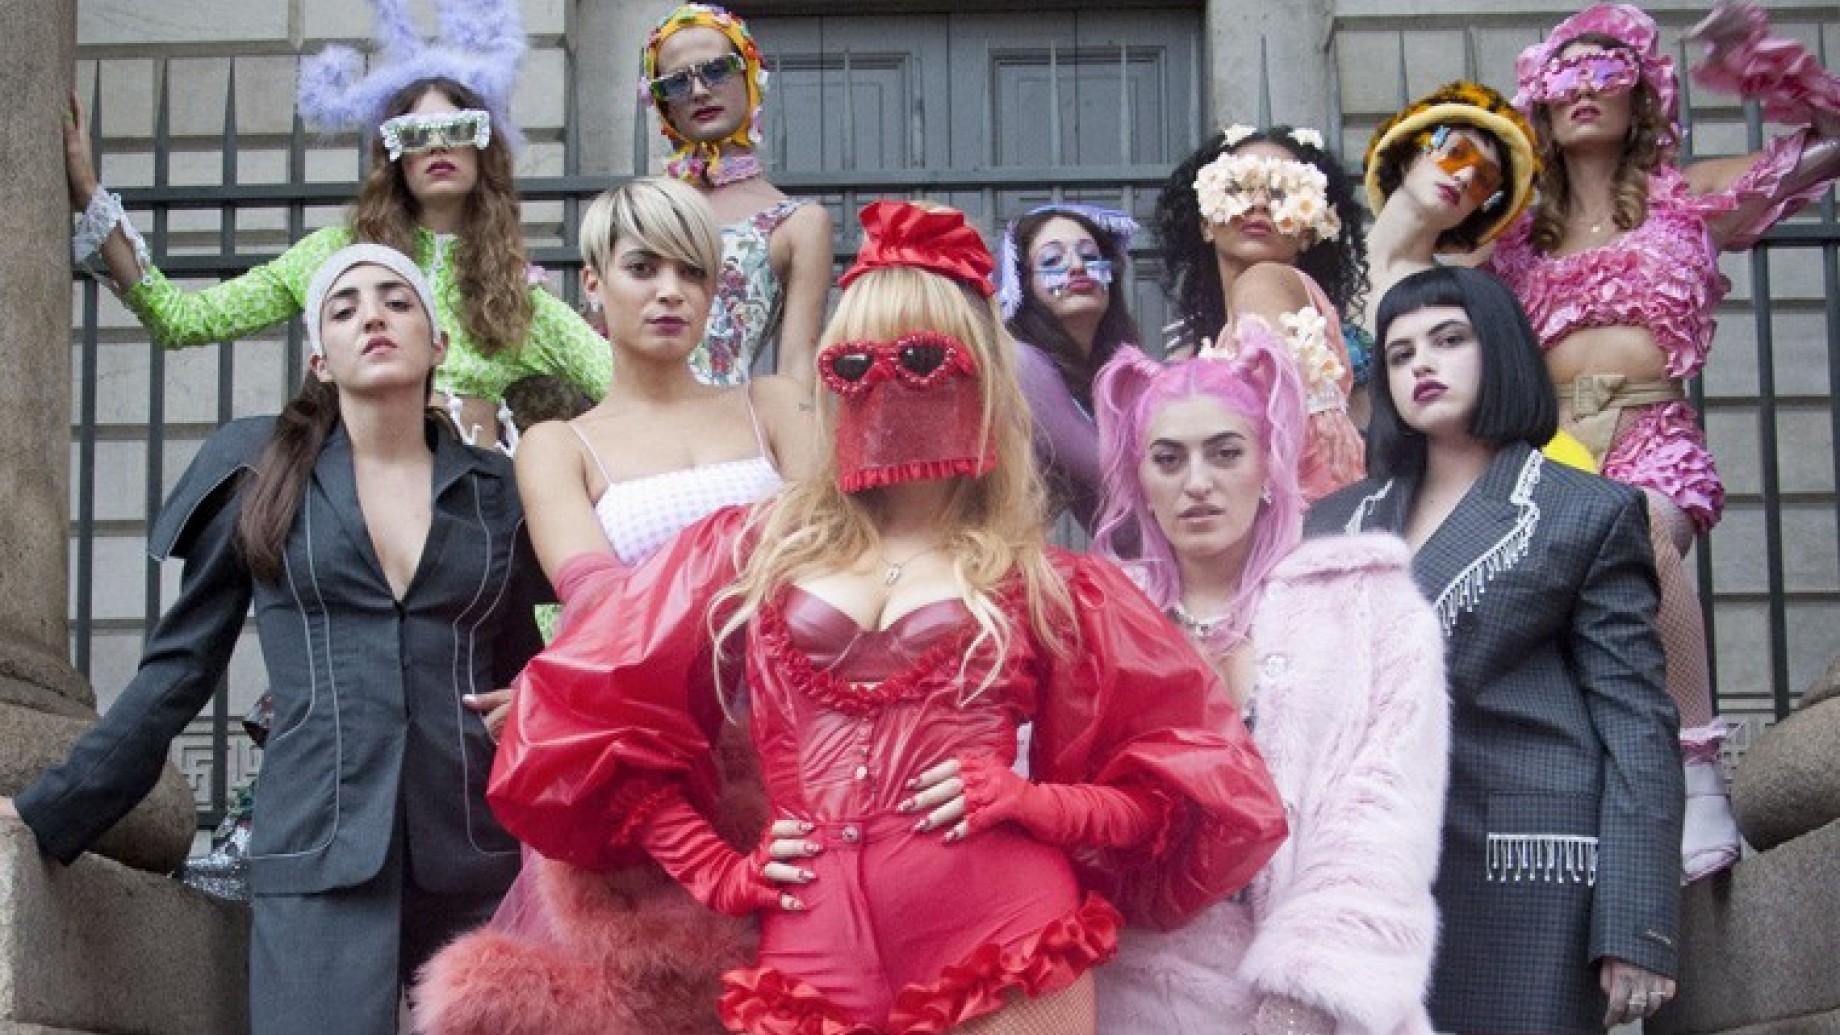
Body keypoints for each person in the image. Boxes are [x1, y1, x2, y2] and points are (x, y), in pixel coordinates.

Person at [485, 200, 1288, 1035]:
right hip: (810, 943)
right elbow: (591, 715)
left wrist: (1030, 801)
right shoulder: (750, 548)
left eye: (915, 356)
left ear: (973, 372)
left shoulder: (1050, 582)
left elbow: (1175, 789)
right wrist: (716, 868)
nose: (881, 383)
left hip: (1003, 929)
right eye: (851, 363)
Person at [3, 245, 547, 1035]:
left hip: (475, 848)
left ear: (440, 345)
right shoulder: (262, 474)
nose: (373, 314)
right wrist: (50, 807)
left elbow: (533, 663)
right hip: (317, 842)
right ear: (319, 358)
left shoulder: (499, 493)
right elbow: (179, 667)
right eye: (345, 305)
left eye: (397, 301)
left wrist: (536, 700)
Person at [412, 177, 818, 1035]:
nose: (669, 291)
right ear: (594, 283)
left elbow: (839, 563)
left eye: (691, 272)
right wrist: (563, 693)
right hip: (645, 770)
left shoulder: (776, 404)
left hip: (796, 749)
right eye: (643, 267)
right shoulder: (560, 445)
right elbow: (597, 601)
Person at [1487, 0, 1840, 880]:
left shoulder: (1688, 201)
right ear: (1538, 98)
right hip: (1548, 452)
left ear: (1641, 90)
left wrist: (1766, 67)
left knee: (1639, 524)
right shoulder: (1511, 232)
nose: (1583, 87)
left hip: (1651, 437)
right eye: (1564, 70)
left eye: (1607, 68)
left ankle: (1698, 771)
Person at [1367, 76, 1734, 884]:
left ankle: (1694, 769)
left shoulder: (1485, 265)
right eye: (1454, 152)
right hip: (1444, 472)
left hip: (1572, 452)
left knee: (1626, 541)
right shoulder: (1443, 270)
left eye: (1489, 173)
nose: (1465, 175)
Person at [1310, 266, 1682, 1033]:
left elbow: (1638, 724)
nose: (1423, 365)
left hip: (1526, 871)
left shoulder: (1585, 512)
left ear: (1503, 351)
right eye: (1402, 352)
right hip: (1365, 878)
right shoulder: (1334, 522)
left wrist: (1635, 923)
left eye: (1449, 339)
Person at [1087, 327, 1448, 1034]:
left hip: (1315, 1004)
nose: (1197, 482)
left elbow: (1381, 813)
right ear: (1139, 480)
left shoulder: (1368, 607)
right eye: (1168, 458)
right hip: (1131, 996)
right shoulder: (1092, 617)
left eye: (1225, 453)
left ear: (1268, 464)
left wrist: (1303, 997)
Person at [68, 0, 610, 448]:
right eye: (415, 134)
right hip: (361, 513)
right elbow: (182, 320)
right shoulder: (335, 258)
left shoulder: (512, 296)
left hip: (479, 526)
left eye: (457, 129)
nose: (439, 145)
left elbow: (628, 385)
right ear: (392, 154)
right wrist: (92, 199)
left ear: (482, 146)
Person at [1153, 124, 1369, 500]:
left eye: (1282, 192)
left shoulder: (1265, 282)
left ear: (1308, 230)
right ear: (1206, 223)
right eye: (1237, 188)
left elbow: (1275, 437)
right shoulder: (1243, 313)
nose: (1258, 204)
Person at [641, 2, 833, 386]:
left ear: (750, 75)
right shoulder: (635, 211)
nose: (698, 91)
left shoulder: (799, 223)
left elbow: (798, 374)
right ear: (663, 104)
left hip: (727, 433)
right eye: (676, 82)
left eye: (716, 70)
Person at [996, 203, 1143, 532]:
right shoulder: (1022, 363)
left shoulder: (1098, 377)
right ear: (1022, 287)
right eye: (1052, 261)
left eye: (1090, 256)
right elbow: (1115, 478)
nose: (1077, 267)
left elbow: (1118, 526)